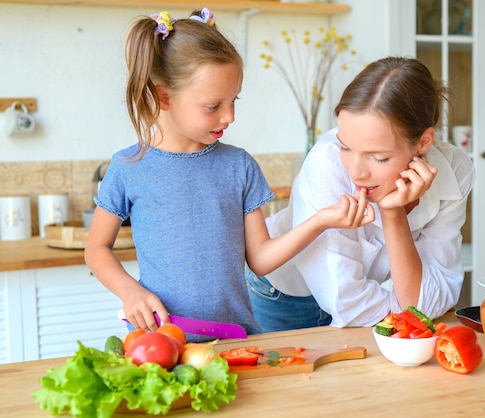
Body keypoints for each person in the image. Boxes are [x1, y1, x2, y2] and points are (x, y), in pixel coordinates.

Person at [84, 8, 373, 342]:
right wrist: (129, 292)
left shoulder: (239, 166)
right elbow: (97, 249)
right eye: (213, 106)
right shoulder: (128, 167)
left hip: (234, 341)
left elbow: (261, 260)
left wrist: (322, 220)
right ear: (164, 96)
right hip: (158, 343)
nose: (230, 116)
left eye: (234, 100)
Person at [247, 56, 476, 331]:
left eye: (377, 157)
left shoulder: (455, 171)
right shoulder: (326, 165)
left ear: (424, 142)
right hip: (285, 298)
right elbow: (349, 303)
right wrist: (408, 308)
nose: (356, 172)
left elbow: (430, 297)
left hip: (372, 301)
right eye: (345, 146)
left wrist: (393, 214)